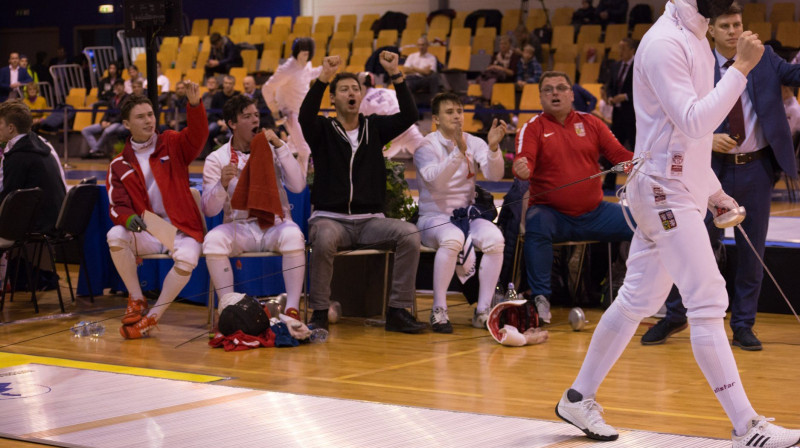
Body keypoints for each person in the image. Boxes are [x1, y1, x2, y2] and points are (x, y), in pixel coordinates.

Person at [554, 1, 800, 446]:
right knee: (707, 300)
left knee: (638, 299)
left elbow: (689, 140)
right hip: (662, 192)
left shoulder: (697, 38)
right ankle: (747, 427)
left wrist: (713, 191)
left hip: (677, 187)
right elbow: (694, 119)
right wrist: (741, 68)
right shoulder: (665, 42)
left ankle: (577, 397)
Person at [640, 2, 800, 351]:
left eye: (738, 24)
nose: (733, 31)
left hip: (754, 167)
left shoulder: (764, 56)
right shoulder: (696, 60)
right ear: (710, 29)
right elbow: (682, 114)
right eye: (725, 25)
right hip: (706, 169)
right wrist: (705, 138)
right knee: (691, 245)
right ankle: (676, 313)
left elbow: (795, 76)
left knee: (751, 248)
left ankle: (743, 324)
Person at [298, 52, 427, 334]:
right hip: (330, 218)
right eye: (344, 89)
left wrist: (396, 74)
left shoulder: (375, 127)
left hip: (370, 221)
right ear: (333, 99)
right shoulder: (322, 129)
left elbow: (410, 115)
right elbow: (304, 115)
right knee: (324, 238)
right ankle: (319, 311)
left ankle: (397, 310)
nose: (351, 93)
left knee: (409, 234)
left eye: (355, 89)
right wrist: (324, 78)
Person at [513, 71, 633, 324]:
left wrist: (645, 161)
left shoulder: (592, 123)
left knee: (644, 224)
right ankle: (541, 299)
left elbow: (620, 156)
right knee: (535, 222)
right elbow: (525, 160)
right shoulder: (532, 128)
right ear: (541, 97)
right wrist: (522, 168)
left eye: (560, 88)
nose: (555, 93)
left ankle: (633, 291)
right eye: (548, 89)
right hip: (552, 215)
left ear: (571, 94)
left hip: (595, 213)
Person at [106, 84, 208, 339]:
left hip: (182, 227)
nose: (148, 121)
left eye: (150, 114)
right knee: (115, 235)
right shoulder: (119, 164)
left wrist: (194, 106)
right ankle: (138, 299)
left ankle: (152, 318)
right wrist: (127, 217)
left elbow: (198, 135)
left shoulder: (173, 142)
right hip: (150, 229)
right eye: (140, 117)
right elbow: (117, 204)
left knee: (187, 259)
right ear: (127, 124)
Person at [202, 95, 307, 321]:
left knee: (294, 236)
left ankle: (292, 309)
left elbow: (298, 186)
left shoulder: (274, 150)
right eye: (247, 117)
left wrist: (280, 147)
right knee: (212, 240)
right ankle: (228, 309)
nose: (254, 121)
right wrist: (221, 185)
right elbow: (209, 210)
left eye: (256, 116)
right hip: (239, 227)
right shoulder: (217, 159)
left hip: (274, 224)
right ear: (232, 123)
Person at [414, 92, 506, 333]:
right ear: (436, 118)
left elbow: (495, 175)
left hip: (468, 216)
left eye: (459, 112)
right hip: (433, 218)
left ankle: (483, 310)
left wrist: (494, 148)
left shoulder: (474, 141)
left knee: (496, 240)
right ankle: (439, 309)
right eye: (449, 112)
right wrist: (458, 153)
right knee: (452, 238)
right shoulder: (426, 145)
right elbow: (436, 183)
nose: (456, 117)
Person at [0, 101, 65, 236]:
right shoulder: (42, 144)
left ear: (11, 128)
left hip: (36, 226)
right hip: (55, 220)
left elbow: (8, 200)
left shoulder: (18, 156)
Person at [261, 38, 320, 177]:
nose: (304, 57)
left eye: (307, 54)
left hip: (303, 112)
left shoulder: (307, 64)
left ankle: (272, 172)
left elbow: (306, 75)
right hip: (290, 113)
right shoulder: (286, 69)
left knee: (291, 147)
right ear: (296, 52)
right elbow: (266, 88)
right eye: (302, 53)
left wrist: (324, 70)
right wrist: (274, 109)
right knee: (304, 149)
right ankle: (300, 185)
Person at [357, 71, 426, 159]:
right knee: (427, 156)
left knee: (376, 164)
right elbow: (406, 107)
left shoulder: (363, 104)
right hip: (408, 129)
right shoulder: (389, 91)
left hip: (389, 138)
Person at [603, 37, 637, 191]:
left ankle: (637, 183)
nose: (620, 52)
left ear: (631, 50)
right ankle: (609, 181)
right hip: (617, 114)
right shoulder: (616, 65)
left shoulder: (639, 65)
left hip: (633, 115)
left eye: (623, 49)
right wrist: (610, 96)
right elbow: (610, 85)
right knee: (613, 148)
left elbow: (642, 88)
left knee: (636, 150)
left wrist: (625, 96)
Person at [82, 79, 128, 158]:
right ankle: (97, 151)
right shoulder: (112, 99)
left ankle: (94, 150)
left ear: (124, 87)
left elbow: (122, 114)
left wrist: (110, 123)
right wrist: (103, 121)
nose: (118, 88)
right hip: (108, 122)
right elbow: (107, 112)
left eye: (120, 86)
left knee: (107, 131)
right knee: (86, 130)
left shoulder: (127, 98)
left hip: (119, 122)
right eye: (116, 86)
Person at [478, 36, 521, 101]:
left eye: (505, 44)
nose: (503, 46)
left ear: (510, 45)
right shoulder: (495, 56)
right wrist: (493, 67)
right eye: (501, 44)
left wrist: (499, 68)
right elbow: (489, 68)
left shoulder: (514, 56)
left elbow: (512, 73)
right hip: (495, 78)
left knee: (491, 81)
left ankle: (486, 99)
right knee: (484, 79)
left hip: (508, 79)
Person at [403, 36, 440, 102]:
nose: (421, 47)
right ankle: (407, 105)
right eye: (419, 45)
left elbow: (428, 72)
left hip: (424, 80)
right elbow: (405, 70)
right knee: (406, 81)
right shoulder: (412, 56)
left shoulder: (432, 58)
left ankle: (434, 101)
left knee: (434, 77)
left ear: (427, 45)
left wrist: (413, 68)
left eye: (423, 45)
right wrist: (422, 70)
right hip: (412, 79)